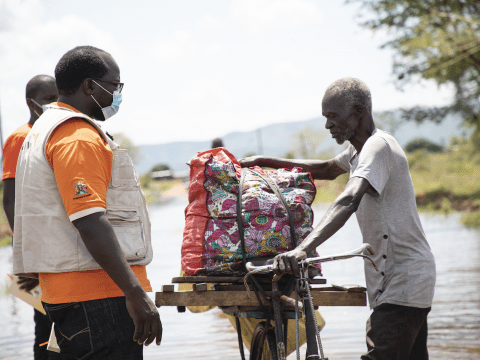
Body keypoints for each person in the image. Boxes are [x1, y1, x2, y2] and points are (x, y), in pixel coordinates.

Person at [240, 77, 436, 360]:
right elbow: (327, 168)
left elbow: (348, 199)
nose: (328, 125)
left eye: (333, 116)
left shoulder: (378, 146)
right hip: (401, 279)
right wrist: (267, 162)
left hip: (404, 278)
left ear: (358, 111)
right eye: (325, 117)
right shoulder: (358, 151)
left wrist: (302, 249)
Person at [12, 46, 161, 359]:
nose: (118, 95)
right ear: (89, 86)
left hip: (71, 296)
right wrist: (135, 293)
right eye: (115, 85)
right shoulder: (77, 136)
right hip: (99, 298)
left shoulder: (42, 131)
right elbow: (89, 220)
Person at [2, 75, 60, 360]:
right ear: (31, 102)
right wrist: (26, 255)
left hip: (55, 244)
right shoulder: (20, 137)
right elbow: (10, 198)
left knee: (63, 320)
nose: (54, 104)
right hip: (35, 248)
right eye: (49, 99)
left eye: (57, 97)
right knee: (45, 321)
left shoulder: (53, 133)